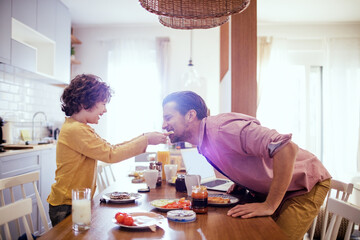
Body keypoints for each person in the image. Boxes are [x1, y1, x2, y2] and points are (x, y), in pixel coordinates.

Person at [162, 91, 331, 240]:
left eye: (168, 117)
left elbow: (287, 148)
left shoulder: (223, 129)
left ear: (190, 115)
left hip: (304, 185)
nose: (163, 125)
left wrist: (269, 205)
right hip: (274, 188)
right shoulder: (203, 142)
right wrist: (243, 179)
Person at [47, 74, 168, 227]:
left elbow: (110, 149)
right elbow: (111, 155)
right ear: (86, 102)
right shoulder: (76, 130)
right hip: (67, 205)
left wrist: (145, 137)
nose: (105, 110)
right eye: (103, 104)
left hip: (75, 202)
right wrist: (147, 140)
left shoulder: (79, 128)